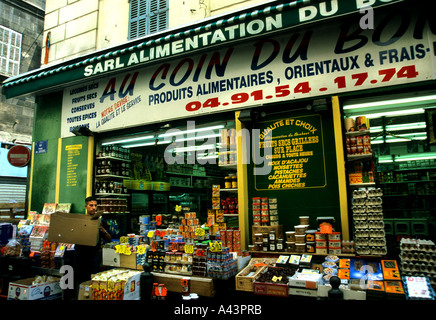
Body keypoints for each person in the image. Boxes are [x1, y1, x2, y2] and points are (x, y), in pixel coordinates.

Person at [74, 196, 112, 289]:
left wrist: (103, 231)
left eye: (95, 205)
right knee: (81, 281)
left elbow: (109, 239)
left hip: (93, 256)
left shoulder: (100, 221)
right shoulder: (79, 220)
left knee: (93, 280)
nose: (94, 208)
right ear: (85, 206)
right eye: (91, 205)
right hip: (80, 256)